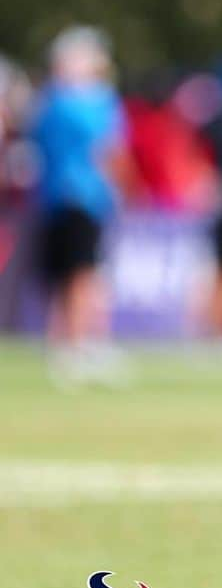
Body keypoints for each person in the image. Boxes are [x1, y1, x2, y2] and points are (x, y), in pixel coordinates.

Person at [29, 26, 129, 363]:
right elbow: (110, 151)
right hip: (85, 197)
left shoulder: (48, 101)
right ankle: (79, 341)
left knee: (67, 275)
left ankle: (63, 340)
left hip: (56, 197)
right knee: (83, 273)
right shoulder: (93, 102)